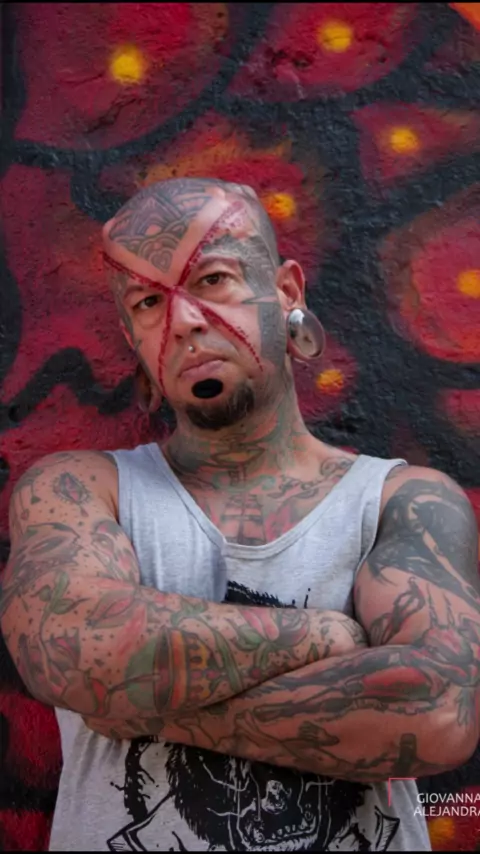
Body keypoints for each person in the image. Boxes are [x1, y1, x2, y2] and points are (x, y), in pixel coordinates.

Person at [1, 177, 479, 853]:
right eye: (148, 302)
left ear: (285, 291)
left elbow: (436, 710)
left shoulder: (403, 502)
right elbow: (67, 652)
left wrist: (132, 702)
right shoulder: (79, 489)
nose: (184, 321)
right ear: (133, 337)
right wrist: (325, 638)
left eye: (213, 280)